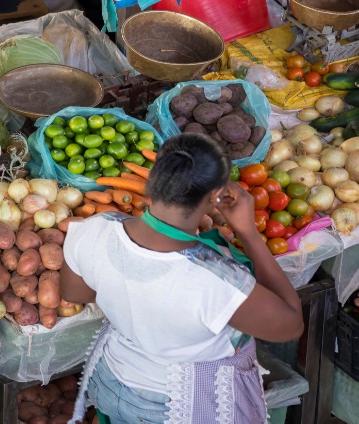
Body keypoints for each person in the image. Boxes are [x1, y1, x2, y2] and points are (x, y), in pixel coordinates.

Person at [60, 134, 304, 424]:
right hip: (176, 404)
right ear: (216, 196)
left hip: (113, 382)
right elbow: (291, 326)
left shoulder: (93, 229)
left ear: (152, 183)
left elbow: (74, 293)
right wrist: (248, 232)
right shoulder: (215, 280)